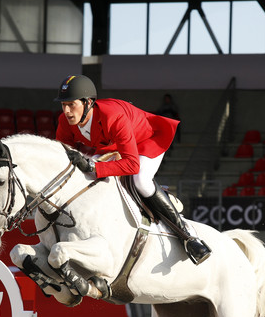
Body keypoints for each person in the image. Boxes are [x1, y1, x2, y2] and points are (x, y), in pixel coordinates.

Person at [54, 75, 211, 265]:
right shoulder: (65, 121)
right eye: (63, 105)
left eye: (71, 104)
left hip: (147, 139)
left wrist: (94, 166)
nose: (67, 110)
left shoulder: (112, 116)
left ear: (87, 102)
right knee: (88, 176)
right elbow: (62, 158)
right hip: (114, 145)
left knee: (140, 180)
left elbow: (131, 164)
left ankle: (187, 236)